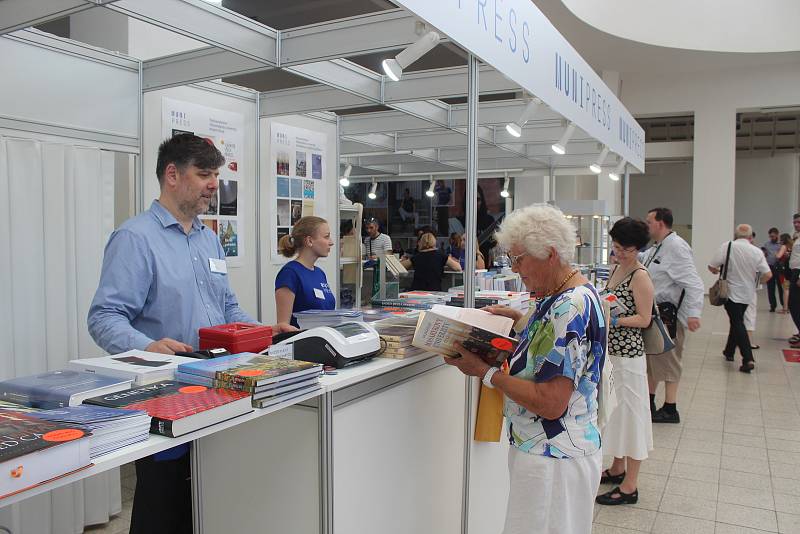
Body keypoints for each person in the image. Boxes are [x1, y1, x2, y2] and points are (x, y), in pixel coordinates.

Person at [87, 134, 291, 534]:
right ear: (172, 175)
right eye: (204, 174)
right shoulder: (135, 239)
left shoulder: (209, 238)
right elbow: (103, 317)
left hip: (221, 388)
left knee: (211, 498)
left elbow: (227, 308)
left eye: (216, 174)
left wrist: (262, 332)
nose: (214, 184)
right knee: (165, 507)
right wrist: (148, 346)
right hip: (167, 395)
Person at [444, 203, 606, 534]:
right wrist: (520, 323)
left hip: (553, 457)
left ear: (549, 253)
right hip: (552, 450)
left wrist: (485, 373)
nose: (516, 269)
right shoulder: (566, 294)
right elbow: (551, 355)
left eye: (519, 259)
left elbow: (550, 402)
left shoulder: (568, 308)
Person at [596, 218, 654, 506]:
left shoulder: (640, 276)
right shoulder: (618, 267)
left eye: (625, 249)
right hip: (612, 353)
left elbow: (645, 319)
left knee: (632, 415)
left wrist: (614, 319)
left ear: (638, 248)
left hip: (629, 356)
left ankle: (631, 485)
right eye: (616, 247)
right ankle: (618, 467)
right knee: (616, 411)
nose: (619, 253)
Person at [641, 207, 704, 423]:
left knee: (669, 360)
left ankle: (670, 407)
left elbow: (694, 283)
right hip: (655, 314)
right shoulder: (659, 247)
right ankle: (649, 402)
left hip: (670, 315)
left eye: (649, 221)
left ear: (660, 223)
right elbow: (647, 261)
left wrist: (694, 314)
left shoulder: (676, 247)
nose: (646, 225)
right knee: (653, 359)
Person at [708, 224, 771, 373]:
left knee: (737, 322)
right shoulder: (757, 251)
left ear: (735, 235)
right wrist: (756, 282)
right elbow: (768, 275)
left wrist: (718, 270)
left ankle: (747, 358)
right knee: (737, 320)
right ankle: (729, 351)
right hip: (748, 294)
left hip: (730, 293)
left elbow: (712, 266)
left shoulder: (727, 246)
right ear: (750, 237)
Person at [275, 216, 336, 330]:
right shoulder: (290, 273)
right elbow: (283, 327)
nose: (331, 242)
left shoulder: (320, 273)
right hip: (302, 344)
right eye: (326, 237)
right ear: (309, 241)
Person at [763, 227, 784, 312]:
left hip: (779, 267)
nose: (772, 238)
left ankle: (784, 305)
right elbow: (764, 253)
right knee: (770, 288)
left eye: (773, 236)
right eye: (771, 236)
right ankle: (772, 305)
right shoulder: (766, 244)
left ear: (777, 235)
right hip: (770, 267)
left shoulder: (781, 244)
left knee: (780, 287)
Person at [787, 214, 800, 346]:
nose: (796, 225)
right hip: (795, 272)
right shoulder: (797, 236)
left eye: (798, 222)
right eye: (795, 222)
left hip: (799, 273)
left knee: (794, 304)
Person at [778, 233, 793, 314]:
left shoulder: (784, 247)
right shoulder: (792, 246)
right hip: (791, 270)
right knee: (790, 289)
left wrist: (776, 254)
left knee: (785, 290)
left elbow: (778, 256)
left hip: (784, 271)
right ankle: (789, 307)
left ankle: (785, 308)